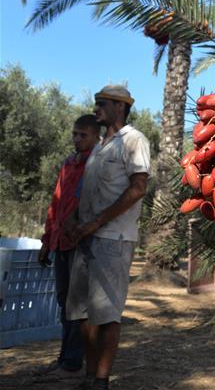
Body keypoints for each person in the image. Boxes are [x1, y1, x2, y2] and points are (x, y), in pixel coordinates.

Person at [66, 85, 150, 390]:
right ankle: (90, 376)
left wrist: (98, 222)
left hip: (113, 238)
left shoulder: (134, 140)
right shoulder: (101, 146)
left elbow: (138, 188)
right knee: (83, 313)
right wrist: (75, 220)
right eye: (96, 103)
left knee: (107, 314)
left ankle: (101, 380)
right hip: (86, 239)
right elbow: (87, 192)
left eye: (102, 103)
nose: (96, 108)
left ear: (120, 106)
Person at [34, 115, 101, 383]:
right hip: (61, 243)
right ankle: (65, 358)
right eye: (74, 134)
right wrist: (47, 240)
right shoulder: (68, 164)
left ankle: (73, 364)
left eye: (82, 135)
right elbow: (57, 203)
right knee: (63, 303)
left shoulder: (96, 166)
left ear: (96, 137)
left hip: (81, 244)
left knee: (77, 307)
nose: (76, 139)